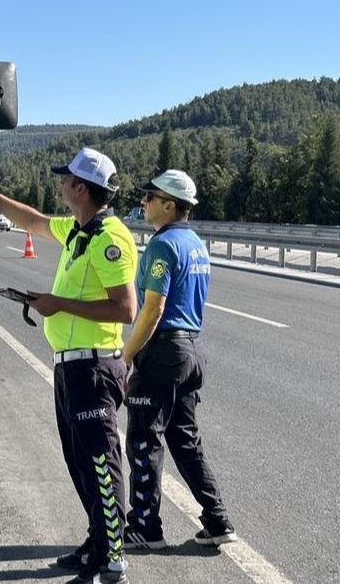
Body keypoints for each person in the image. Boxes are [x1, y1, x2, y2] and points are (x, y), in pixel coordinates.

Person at [0, 147, 137, 584]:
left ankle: (114, 557)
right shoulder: (79, 230)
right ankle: (97, 541)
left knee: (101, 461)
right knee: (80, 462)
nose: (61, 183)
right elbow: (31, 221)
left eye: (66, 179)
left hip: (94, 367)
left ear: (80, 188)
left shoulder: (109, 237)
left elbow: (125, 309)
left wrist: (55, 304)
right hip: (71, 367)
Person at [121, 169, 237, 550]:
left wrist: (126, 356)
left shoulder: (163, 245)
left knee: (142, 438)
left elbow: (153, 310)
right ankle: (217, 519)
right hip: (190, 351)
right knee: (184, 440)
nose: (143, 202)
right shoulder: (197, 245)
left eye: (149, 197)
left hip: (164, 352)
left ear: (169, 205)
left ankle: (144, 526)